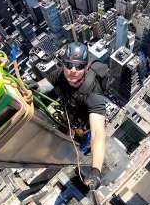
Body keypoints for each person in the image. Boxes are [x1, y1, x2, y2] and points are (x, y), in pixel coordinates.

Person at [32, 42, 109, 190]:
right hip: (71, 115)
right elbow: (44, 85)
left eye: (79, 66)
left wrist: (96, 170)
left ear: (86, 68)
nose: (73, 70)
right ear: (63, 64)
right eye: (69, 65)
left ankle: (86, 158)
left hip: (85, 126)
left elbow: (98, 133)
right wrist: (34, 87)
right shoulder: (60, 74)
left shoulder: (93, 92)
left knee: (85, 145)